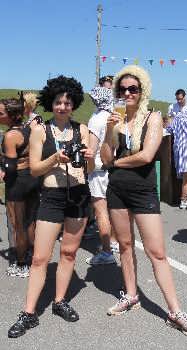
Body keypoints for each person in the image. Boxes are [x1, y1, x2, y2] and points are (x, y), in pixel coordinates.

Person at [100, 65, 187, 338]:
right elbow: (105, 158)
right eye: (122, 89)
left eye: (133, 88)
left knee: (157, 252)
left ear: (142, 90)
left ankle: (175, 311)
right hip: (117, 190)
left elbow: (146, 156)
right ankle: (131, 294)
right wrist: (110, 133)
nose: (127, 93)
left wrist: (118, 162)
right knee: (124, 245)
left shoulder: (153, 117)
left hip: (143, 191)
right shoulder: (116, 119)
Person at [8, 75, 94, 338]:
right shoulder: (40, 130)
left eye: (68, 102)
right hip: (52, 197)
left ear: (74, 104)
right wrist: (55, 158)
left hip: (79, 196)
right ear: (51, 102)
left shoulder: (83, 130)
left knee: (68, 253)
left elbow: (89, 169)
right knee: (40, 258)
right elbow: (34, 169)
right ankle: (29, 313)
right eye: (58, 101)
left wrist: (90, 158)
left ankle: (59, 301)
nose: (63, 106)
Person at [0, 98, 40, 278]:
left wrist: (2, 173)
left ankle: (22, 263)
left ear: (13, 115)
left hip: (17, 182)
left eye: (1, 113)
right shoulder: (28, 128)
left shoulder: (10, 136)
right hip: (32, 178)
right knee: (30, 221)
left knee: (17, 224)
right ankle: (31, 254)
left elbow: (10, 167)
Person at [85, 86, 117, 266]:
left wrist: (87, 167)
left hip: (98, 169)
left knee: (101, 211)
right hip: (113, 168)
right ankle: (113, 241)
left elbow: (92, 149)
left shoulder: (96, 119)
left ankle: (106, 252)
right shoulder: (114, 116)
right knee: (114, 209)